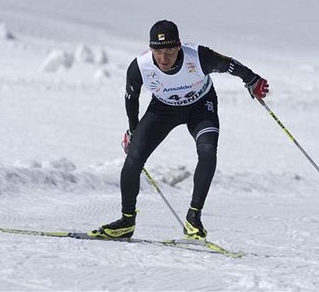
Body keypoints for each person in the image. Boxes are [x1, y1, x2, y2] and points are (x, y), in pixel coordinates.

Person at [91, 20, 269, 240]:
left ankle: (194, 217)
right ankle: (126, 221)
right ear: (150, 49)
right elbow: (131, 98)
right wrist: (132, 130)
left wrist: (253, 80)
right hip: (163, 110)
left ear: (179, 46)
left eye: (169, 51)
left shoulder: (199, 57)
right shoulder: (140, 67)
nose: (163, 58)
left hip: (200, 107)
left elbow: (230, 65)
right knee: (133, 160)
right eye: (158, 51)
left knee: (207, 151)